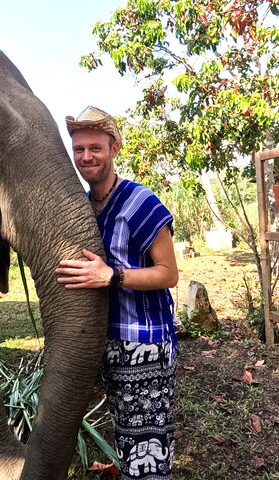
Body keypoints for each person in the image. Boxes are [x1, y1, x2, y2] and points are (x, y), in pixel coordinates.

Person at [55, 106, 179, 479]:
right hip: (109, 341)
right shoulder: (84, 205)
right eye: (79, 149)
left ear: (115, 148)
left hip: (144, 343)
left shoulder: (139, 202)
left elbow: (169, 274)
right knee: (128, 438)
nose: (86, 157)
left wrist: (112, 277)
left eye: (95, 147)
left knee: (147, 446)